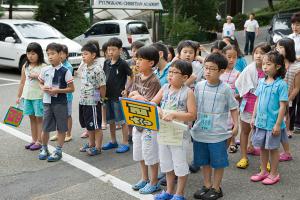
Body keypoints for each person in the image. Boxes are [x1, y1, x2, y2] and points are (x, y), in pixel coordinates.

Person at [191, 53, 239, 200]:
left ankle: (217, 188)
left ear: (221, 71)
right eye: (206, 68)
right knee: (203, 161)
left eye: (212, 69)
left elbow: (233, 107)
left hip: (218, 133)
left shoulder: (225, 89)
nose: (207, 71)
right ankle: (206, 185)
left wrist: (236, 125)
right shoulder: (198, 86)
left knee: (218, 162)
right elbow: (193, 107)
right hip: (200, 131)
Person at [152, 60, 196, 200]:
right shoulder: (165, 87)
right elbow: (153, 103)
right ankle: (169, 191)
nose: (170, 75)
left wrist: (174, 114)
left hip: (179, 134)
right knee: (166, 163)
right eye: (169, 72)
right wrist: (158, 109)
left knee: (180, 164)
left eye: (174, 72)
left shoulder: (188, 92)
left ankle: (179, 193)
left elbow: (192, 115)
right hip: (164, 132)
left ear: (185, 77)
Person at [250, 51, 288, 185]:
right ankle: (263, 171)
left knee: (273, 149)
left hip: (273, 124)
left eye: (268, 64)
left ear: (277, 66)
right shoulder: (261, 82)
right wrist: (253, 117)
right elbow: (257, 100)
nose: (264, 66)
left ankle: (274, 173)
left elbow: (283, 106)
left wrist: (278, 124)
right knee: (262, 148)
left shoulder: (281, 84)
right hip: (260, 122)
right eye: (264, 64)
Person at [129, 46, 161, 194]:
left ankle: (154, 181)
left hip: (150, 123)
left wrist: (140, 97)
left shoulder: (154, 81)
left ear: (151, 63)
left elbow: (152, 103)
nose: (137, 61)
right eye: (137, 58)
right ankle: (144, 178)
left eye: (141, 59)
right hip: (137, 120)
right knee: (139, 151)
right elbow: (132, 94)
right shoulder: (136, 76)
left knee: (150, 153)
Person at [235, 43, 271, 169]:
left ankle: (265, 161)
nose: (258, 56)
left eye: (262, 53)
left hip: (265, 106)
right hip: (249, 103)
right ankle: (244, 157)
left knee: (264, 134)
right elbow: (239, 84)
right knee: (245, 131)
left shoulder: (271, 70)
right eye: (256, 53)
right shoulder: (249, 69)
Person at [38, 43, 74, 162]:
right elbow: (40, 83)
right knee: (46, 127)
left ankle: (58, 150)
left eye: (53, 54)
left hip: (60, 103)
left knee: (61, 127)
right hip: (47, 102)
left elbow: (71, 88)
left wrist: (58, 90)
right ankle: (44, 148)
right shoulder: (45, 69)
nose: (50, 56)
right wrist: (42, 87)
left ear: (60, 55)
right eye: (48, 54)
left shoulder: (65, 71)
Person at [102, 37, 132, 153]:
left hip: (117, 97)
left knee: (121, 121)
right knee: (111, 121)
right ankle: (113, 141)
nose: (110, 52)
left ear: (120, 50)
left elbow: (132, 76)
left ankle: (125, 143)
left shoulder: (123, 63)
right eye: (109, 50)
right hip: (107, 96)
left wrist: (126, 89)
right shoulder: (106, 62)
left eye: (113, 50)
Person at [79, 43, 106, 156]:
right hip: (83, 101)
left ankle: (98, 147)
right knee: (88, 124)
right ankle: (91, 144)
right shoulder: (84, 67)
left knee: (96, 125)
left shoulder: (97, 69)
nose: (83, 56)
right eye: (82, 54)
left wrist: (100, 99)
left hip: (93, 102)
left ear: (93, 55)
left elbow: (102, 86)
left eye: (85, 54)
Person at [16, 42, 45, 151]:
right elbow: (22, 82)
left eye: (33, 53)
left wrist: (38, 76)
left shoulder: (44, 66)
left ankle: (39, 141)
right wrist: (19, 96)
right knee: (31, 119)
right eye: (28, 53)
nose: (30, 56)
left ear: (39, 54)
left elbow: (49, 81)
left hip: (39, 97)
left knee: (39, 119)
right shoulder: (25, 66)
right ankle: (33, 140)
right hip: (27, 97)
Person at [276, 38, 300, 161]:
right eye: (277, 47)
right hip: (274, 99)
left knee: (281, 128)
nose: (277, 49)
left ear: (288, 49)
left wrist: (286, 102)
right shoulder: (277, 62)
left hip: (285, 102)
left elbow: (296, 88)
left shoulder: (297, 67)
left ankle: (286, 152)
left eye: (280, 47)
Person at [50, 45, 73, 142]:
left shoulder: (68, 67)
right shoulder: (54, 66)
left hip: (67, 96)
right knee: (58, 115)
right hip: (56, 95)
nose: (61, 56)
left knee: (67, 115)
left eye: (63, 54)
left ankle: (68, 134)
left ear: (66, 54)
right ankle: (59, 132)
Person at [220, 45, 240, 153]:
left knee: (229, 129)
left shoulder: (238, 74)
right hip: (218, 106)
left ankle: (224, 151)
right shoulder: (218, 72)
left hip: (231, 107)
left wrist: (234, 97)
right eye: (229, 57)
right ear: (223, 56)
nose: (232, 60)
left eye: (234, 57)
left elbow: (241, 92)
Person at [124, 41, 145, 144]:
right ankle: (130, 134)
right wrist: (125, 89)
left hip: (140, 92)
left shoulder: (143, 62)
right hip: (129, 91)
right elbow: (126, 77)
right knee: (129, 113)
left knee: (138, 112)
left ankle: (139, 132)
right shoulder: (128, 63)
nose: (135, 52)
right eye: (133, 50)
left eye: (138, 50)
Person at [288, 12, 300, 133]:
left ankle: (298, 123)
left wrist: (295, 58)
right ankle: (290, 125)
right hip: (291, 71)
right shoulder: (289, 38)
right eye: (293, 24)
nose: (295, 27)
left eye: (298, 24)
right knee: (291, 98)